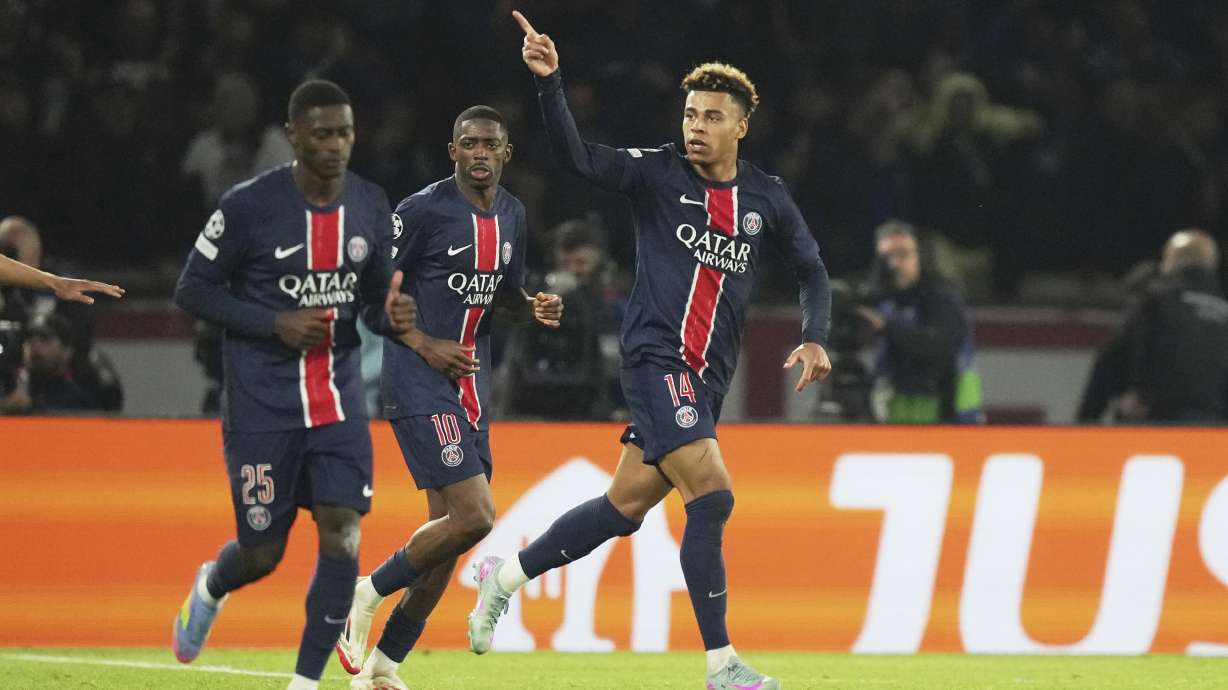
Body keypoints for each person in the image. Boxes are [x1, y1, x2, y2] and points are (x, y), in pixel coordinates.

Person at [466, 13, 834, 690]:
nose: (696, 125)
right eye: (691, 113)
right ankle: (721, 666)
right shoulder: (656, 174)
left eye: (712, 116)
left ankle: (504, 577)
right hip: (655, 360)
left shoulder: (766, 198)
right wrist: (551, 84)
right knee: (714, 497)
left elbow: (812, 269)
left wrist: (815, 334)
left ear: (741, 127)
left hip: (707, 375)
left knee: (623, 508)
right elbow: (579, 158)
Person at [170, 79, 417, 690]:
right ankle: (212, 584)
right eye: (323, 133)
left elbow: (374, 302)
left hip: (335, 403)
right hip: (262, 405)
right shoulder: (248, 205)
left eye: (346, 133)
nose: (336, 145)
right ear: (294, 136)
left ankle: (304, 683)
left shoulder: (369, 203)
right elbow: (192, 290)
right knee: (262, 552)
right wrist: (273, 322)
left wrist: (395, 317)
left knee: (343, 532)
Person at [334, 105, 563, 690]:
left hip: (469, 389)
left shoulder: (513, 214)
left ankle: (383, 667)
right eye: (469, 143)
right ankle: (365, 592)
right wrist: (424, 343)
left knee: (447, 541)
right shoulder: (421, 212)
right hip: (417, 378)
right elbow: (366, 296)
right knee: (475, 515)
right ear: (453, 151)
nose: (480, 152)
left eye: (491, 143)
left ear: (506, 153)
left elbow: (501, 292)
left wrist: (530, 305)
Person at [854, 221, 983, 424]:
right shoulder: (883, 302)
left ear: (922, 257)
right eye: (886, 257)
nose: (894, 264)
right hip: (900, 412)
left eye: (903, 254)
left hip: (949, 413)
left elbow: (939, 345)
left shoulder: (943, 300)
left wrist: (886, 327)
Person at [1113, 230, 1228, 423]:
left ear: (1170, 261)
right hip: (1215, 428)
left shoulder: (1156, 300)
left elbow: (1116, 354)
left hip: (1159, 420)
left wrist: (1086, 416)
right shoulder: (1225, 312)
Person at [0, 313, 116, 414]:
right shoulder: (14, 376)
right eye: (31, 340)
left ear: (66, 349)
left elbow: (82, 414)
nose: (35, 346)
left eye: (44, 340)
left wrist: (31, 406)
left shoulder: (83, 381)